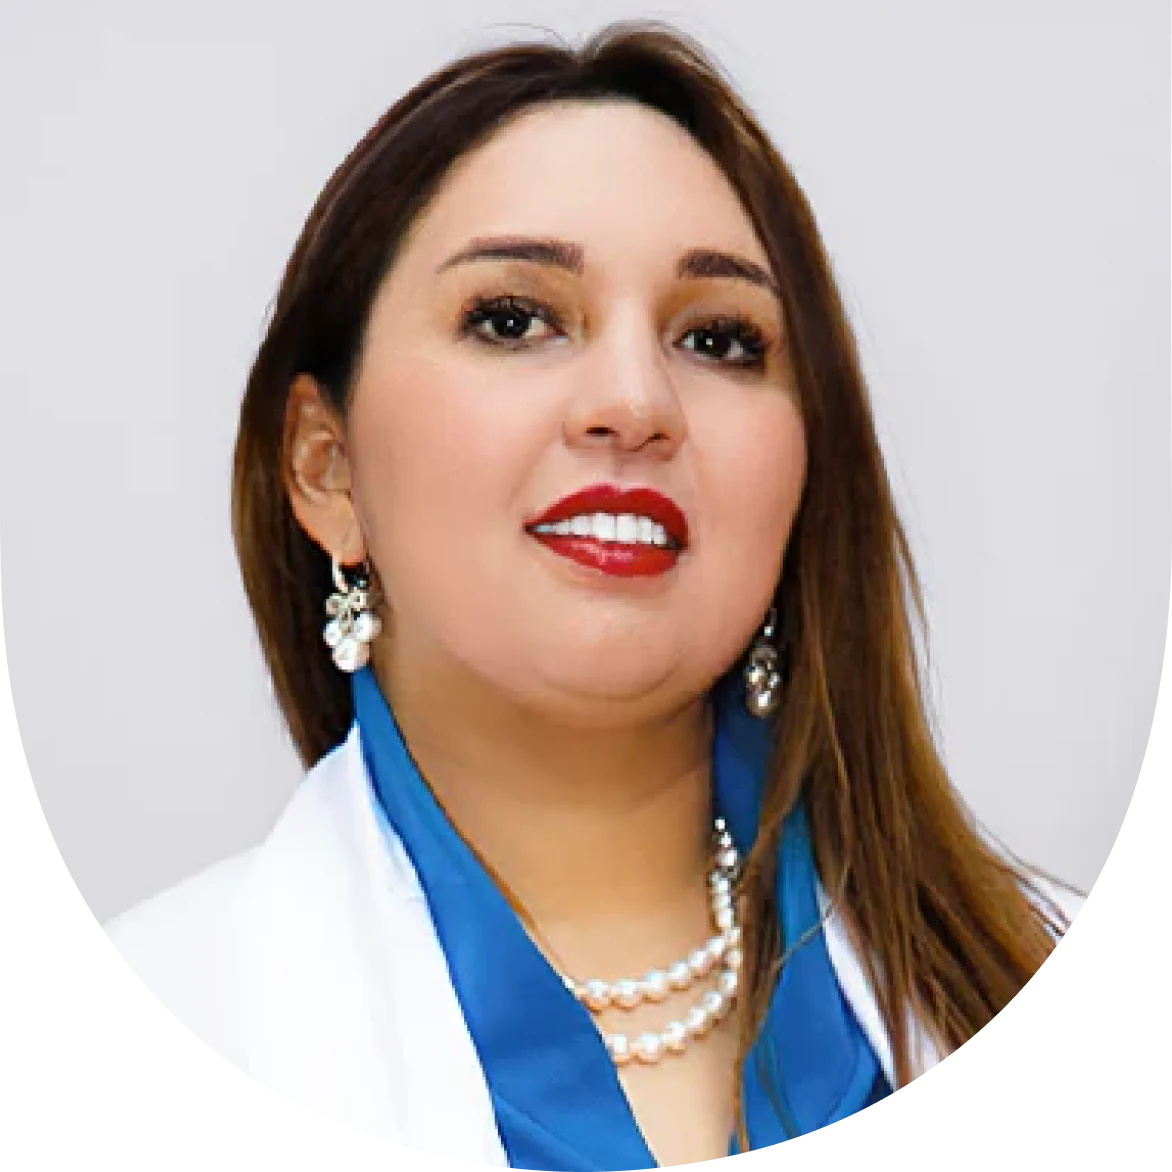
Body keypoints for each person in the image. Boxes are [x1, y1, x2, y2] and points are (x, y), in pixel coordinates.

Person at [101, 19, 1087, 1168]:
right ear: (327, 469)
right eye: (512, 319)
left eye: (716, 338)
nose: (633, 400)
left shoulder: (1029, 961)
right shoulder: (185, 990)